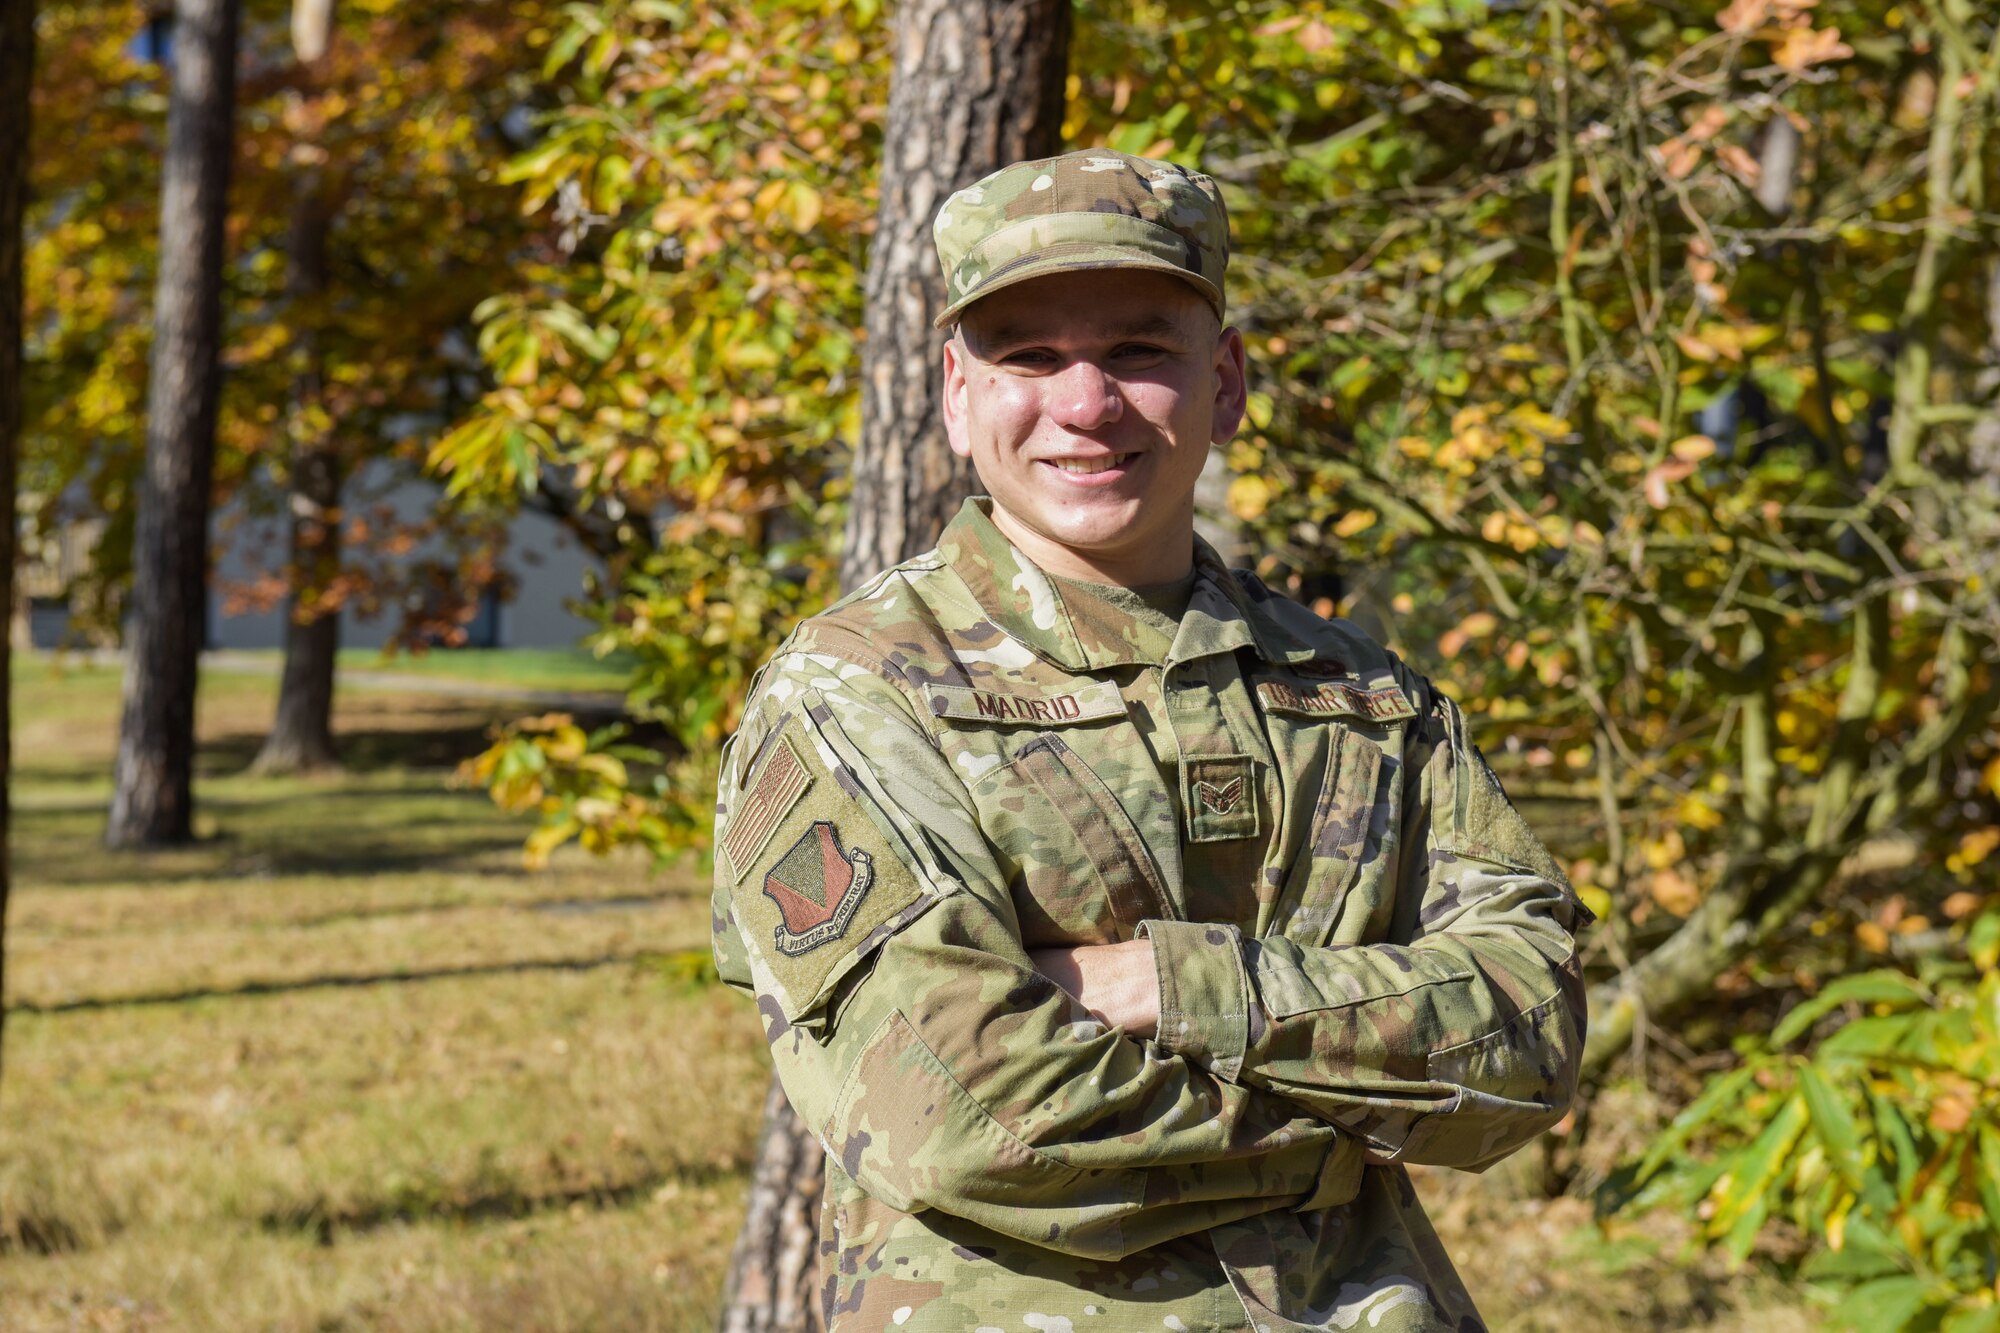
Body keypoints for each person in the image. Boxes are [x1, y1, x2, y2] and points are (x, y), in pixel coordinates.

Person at [711, 149, 1591, 1333]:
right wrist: (1351, 1125)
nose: (1085, 404)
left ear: (1222, 382)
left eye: (1136, 351)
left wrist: (1173, 987)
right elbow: (960, 1114)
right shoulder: (859, 692)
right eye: (1028, 356)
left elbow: (1531, 1032)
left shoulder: (1363, 695)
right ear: (956, 395)